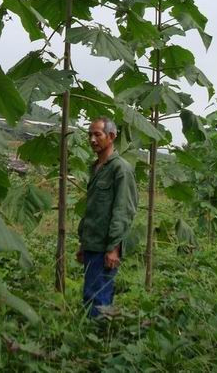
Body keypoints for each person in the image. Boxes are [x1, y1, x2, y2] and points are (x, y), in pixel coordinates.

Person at [76, 117, 138, 317]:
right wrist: (83, 243)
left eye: (97, 134)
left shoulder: (120, 169)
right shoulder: (96, 167)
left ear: (111, 137)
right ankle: (95, 336)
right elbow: (93, 208)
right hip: (91, 243)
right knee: (90, 294)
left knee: (98, 298)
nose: (92, 139)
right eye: (90, 135)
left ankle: (98, 340)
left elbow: (123, 210)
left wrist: (113, 248)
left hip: (105, 246)